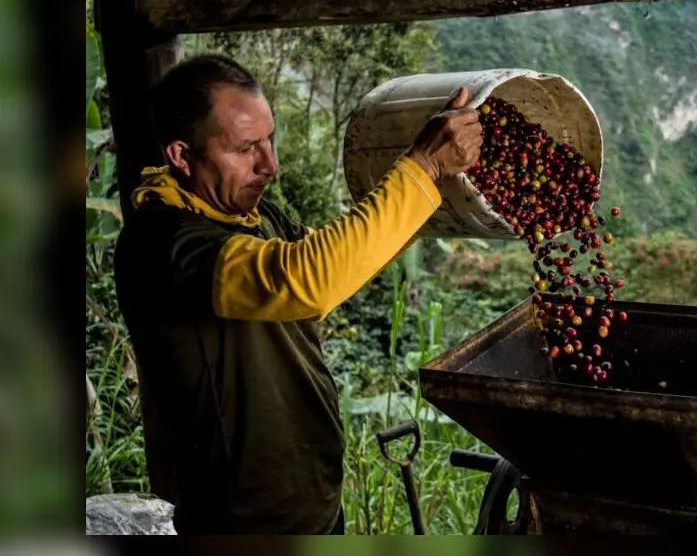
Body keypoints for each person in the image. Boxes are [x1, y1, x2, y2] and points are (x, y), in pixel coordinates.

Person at [112, 54, 483, 535]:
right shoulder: (166, 243)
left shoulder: (256, 215)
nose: (271, 165)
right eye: (247, 148)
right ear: (181, 155)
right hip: (243, 524)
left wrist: (438, 182)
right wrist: (424, 165)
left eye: (270, 140)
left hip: (314, 502)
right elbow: (310, 279)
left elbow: (348, 255)